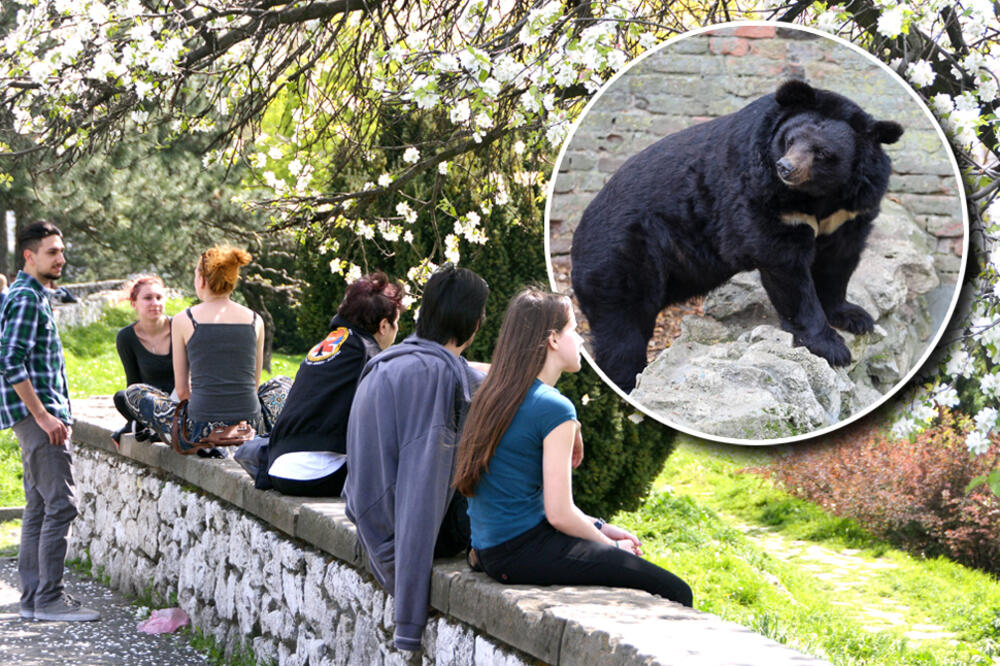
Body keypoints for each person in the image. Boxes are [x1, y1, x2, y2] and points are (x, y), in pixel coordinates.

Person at [452, 288, 693, 608]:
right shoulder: (553, 408)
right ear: (553, 339)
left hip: (489, 550)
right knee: (676, 591)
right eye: (573, 330)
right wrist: (610, 547)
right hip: (520, 552)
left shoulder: (496, 394)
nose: (580, 340)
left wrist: (601, 527)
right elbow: (560, 514)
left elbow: (541, 507)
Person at [344, 264, 489, 652]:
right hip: (403, 536)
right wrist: (409, 619)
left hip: (370, 524)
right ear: (474, 324)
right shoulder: (440, 379)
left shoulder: (390, 361)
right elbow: (422, 492)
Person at [0, 221, 100, 622]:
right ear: (30, 256)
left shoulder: (31, 295)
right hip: (38, 418)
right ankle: (49, 600)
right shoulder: (26, 298)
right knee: (61, 505)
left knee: (40, 506)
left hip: (38, 416)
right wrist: (43, 416)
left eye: (61, 251)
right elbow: (9, 361)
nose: (61, 258)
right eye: (52, 252)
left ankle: (33, 600)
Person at [124, 245, 274, 455]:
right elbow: (254, 387)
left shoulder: (184, 319)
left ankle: (199, 438)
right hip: (248, 424)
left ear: (202, 280)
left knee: (134, 393)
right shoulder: (255, 320)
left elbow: (182, 391)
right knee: (282, 383)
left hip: (199, 427)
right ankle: (249, 434)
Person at [266, 272, 404, 496]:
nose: (397, 329)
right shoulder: (367, 355)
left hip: (277, 467)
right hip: (319, 474)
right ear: (383, 326)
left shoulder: (328, 344)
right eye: (396, 323)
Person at [111, 275, 173, 446]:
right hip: (150, 403)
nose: (155, 303)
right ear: (134, 303)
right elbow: (133, 385)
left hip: (181, 401)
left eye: (159, 297)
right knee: (121, 397)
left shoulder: (180, 328)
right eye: (147, 298)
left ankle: (153, 428)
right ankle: (146, 426)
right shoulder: (126, 337)